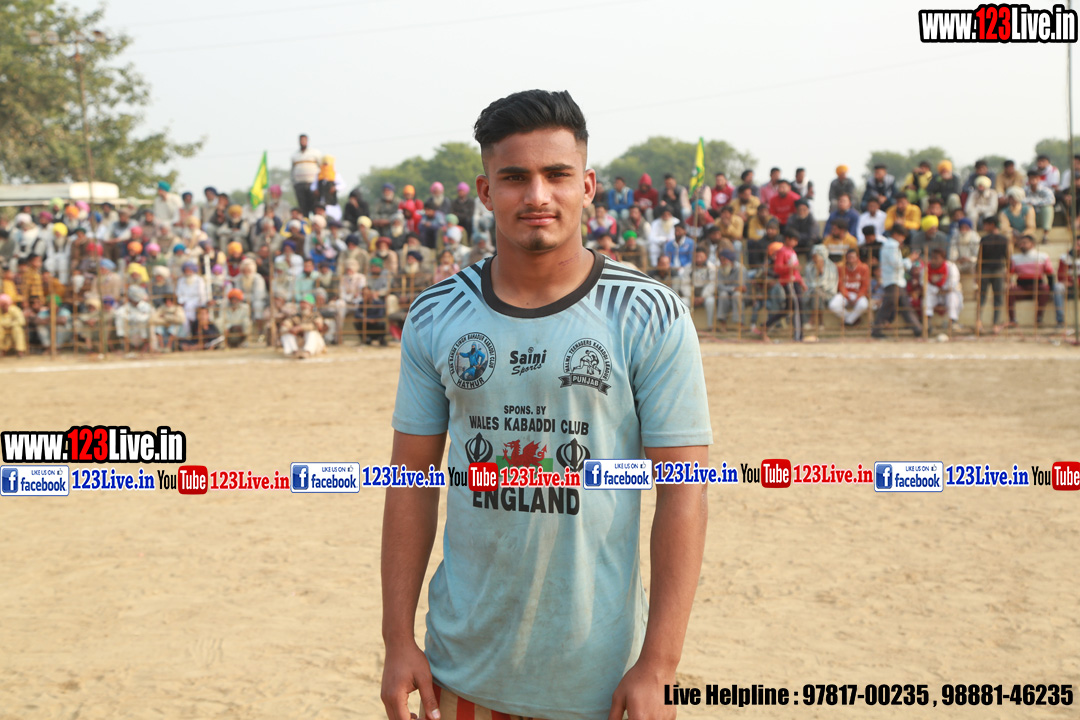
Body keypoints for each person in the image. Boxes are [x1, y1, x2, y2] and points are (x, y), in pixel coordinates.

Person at [382, 89, 711, 720]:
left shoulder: (649, 314)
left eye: (557, 174)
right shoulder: (436, 315)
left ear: (587, 186)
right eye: (515, 178)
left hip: (601, 682)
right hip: (461, 672)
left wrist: (658, 666)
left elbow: (684, 492)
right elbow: (409, 482)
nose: (537, 195)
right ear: (486, 192)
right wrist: (398, 640)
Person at [872, 226, 923, 338]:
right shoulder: (891, 245)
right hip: (893, 281)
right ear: (895, 234)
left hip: (897, 281)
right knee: (889, 306)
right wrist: (910, 259)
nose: (902, 239)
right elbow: (897, 265)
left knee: (905, 306)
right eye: (902, 236)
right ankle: (876, 330)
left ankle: (918, 329)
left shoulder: (890, 245)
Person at [762, 229, 805, 341]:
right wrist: (791, 268)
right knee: (797, 307)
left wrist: (802, 282)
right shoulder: (782, 252)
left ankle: (765, 326)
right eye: (794, 240)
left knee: (788, 308)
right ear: (787, 239)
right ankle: (798, 336)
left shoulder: (792, 252)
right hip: (789, 282)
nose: (796, 243)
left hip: (795, 281)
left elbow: (796, 271)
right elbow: (778, 268)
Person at [1007, 233, 1055, 327]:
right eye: (1020, 243)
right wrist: (1010, 282)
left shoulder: (1043, 256)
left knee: (1045, 288)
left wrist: (1052, 290)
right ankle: (1012, 320)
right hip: (1022, 287)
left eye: (1024, 243)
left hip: (1037, 287)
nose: (1022, 245)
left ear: (1032, 244)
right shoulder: (1014, 258)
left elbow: (1050, 274)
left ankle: (1039, 319)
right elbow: (1009, 274)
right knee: (1010, 291)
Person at [924, 247, 964, 332]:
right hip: (935, 293)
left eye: (936, 258)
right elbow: (923, 283)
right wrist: (936, 290)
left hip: (947, 293)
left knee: (953, 296)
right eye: (932, 258)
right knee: (927, 295)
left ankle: (952, 321)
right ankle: (927, 323)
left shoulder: (951, 267)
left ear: (943, 259)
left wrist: (944, 290)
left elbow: (953, 283)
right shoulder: (927, 267)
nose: (933, 261)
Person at [802, 244, 839, 329]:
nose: (813, 258)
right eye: (813, 256)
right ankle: (820, 322)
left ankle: (812, 320)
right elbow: (808, 283)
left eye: (816, 256)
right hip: (812, 292)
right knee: (816, 293)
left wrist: (821, 271)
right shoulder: (809, 267)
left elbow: (830, 284)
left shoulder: (831, 267)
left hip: (828, 292)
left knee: (817, 293)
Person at [836, 248, 871, 326]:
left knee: (863, 304)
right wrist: (847, 296)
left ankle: (849, 321)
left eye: (853, 257)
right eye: (849, 258)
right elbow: (840, 285)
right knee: (833, 305)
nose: (851, 260)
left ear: (857, 257)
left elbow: (865, 285)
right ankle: (853, 319)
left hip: (858, 294)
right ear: (846, 258)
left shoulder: (864, 267)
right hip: (846, 294)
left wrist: (858, 297)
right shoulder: (841, 268)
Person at [291, 134, 321, 216]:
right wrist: (294, 183)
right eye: (301, 140)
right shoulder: (294, 155)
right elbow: (292, 171)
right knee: (303, 207)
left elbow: (321, 167)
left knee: (315, 205)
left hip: (312, 184)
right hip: (299, 184)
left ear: (307, 141)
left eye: (304, 140)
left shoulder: (315, 153)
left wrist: (318, 184)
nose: (303, 142)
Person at [1054, 236, 1080, 329]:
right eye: (1077, 244)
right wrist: (1070, 281)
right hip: (1068, 286)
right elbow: (1060, 274)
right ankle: (1060, 320)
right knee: (1058, 287)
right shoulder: (1064, 257)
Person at [715, 249, 744, 330]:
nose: (722, 262)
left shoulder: (740, 269)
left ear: (730, 259)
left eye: (724, 260)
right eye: (721, 260)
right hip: (728, 293)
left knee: (737, 295)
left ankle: (740, 324)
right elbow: (720, 286)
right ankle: (723, 323)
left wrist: (734, 289)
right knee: (723, 294)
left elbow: (742, 288)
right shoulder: (720, 270)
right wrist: (733, 288)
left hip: (742, 295)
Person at [1024, 170, 1056, 243]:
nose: (1033, 180)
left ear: (1039, 179)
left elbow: (1051, 200)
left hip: (1041, 217)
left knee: (1048, 208)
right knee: (1024, 208)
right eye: (1031, 178)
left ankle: (1045, 236)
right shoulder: (1024, 190)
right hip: (1028, 217)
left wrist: (1033, 202)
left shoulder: (1046, 190)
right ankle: (1026, 236)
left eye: (1035, 178)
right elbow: (1020, 200)